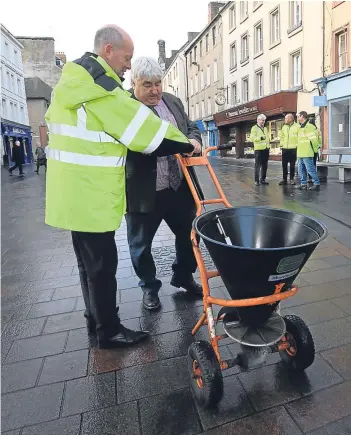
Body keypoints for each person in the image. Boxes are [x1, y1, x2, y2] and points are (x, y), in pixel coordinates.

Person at [45, 25, 196, 349]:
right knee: (102, 266)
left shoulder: (74, 84)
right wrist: (186, 145)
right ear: (108, 51)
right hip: (91, 195)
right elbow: (148, 136)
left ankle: (95, 320)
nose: (128, 64)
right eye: (126, 58)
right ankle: (108, 331)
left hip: (73, 193)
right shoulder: (99, 91)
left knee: (88, 265)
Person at [126, 57, 202, 310]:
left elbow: (190, 127)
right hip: (145, 190)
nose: (155, 90)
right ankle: (149, 287)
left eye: (158, 83)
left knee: (190, 235)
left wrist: (195, 141)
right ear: (134, 82)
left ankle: (183, 276)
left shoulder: (173, 101)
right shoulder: (125, 106)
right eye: (147, 84)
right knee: (141, 244)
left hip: (179, 186)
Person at [295, 111, 320, 191]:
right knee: (301, 170)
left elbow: (314, 140)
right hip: (300, 153)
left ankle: (317, 183)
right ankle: (303, 184)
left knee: (310, 170)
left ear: (302, 116)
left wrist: (315, 150)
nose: (298, 118)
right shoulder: (300, 127)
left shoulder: (309, 127)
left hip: (307, 152)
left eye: (298, 116)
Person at [279, 114, 299, 186]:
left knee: (292, 165)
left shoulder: (297, 126)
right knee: (284, 165)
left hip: (293, 149)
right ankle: (284, 179)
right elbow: (281, 137)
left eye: (286, 118)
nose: (285, 120)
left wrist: (297, 146)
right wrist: (281, 145)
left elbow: (299, 137)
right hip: (285, 149)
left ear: (290, 119)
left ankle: (291, 179)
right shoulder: (284, 127)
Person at [250, 114, 270, 186]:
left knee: (265, 165)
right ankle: (256, 181)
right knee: (257, 165)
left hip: (266, 149)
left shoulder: (265, 128)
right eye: (262, 120)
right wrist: (260, 138)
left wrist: (268, 146)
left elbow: (267, 138)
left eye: (264, 120)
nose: (263, 122)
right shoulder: (254, 128)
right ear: (258, 120)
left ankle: (263, 179)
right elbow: (252, 138)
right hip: (258, 150)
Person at [308, 118, 322, 182]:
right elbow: (320, 138)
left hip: (309, 148)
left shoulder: (308, 129)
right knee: (313, 163)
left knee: (309, 164)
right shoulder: (317, 130)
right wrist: (319, 145)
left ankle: (310, 177)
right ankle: (313, 177)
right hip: (315, 149)